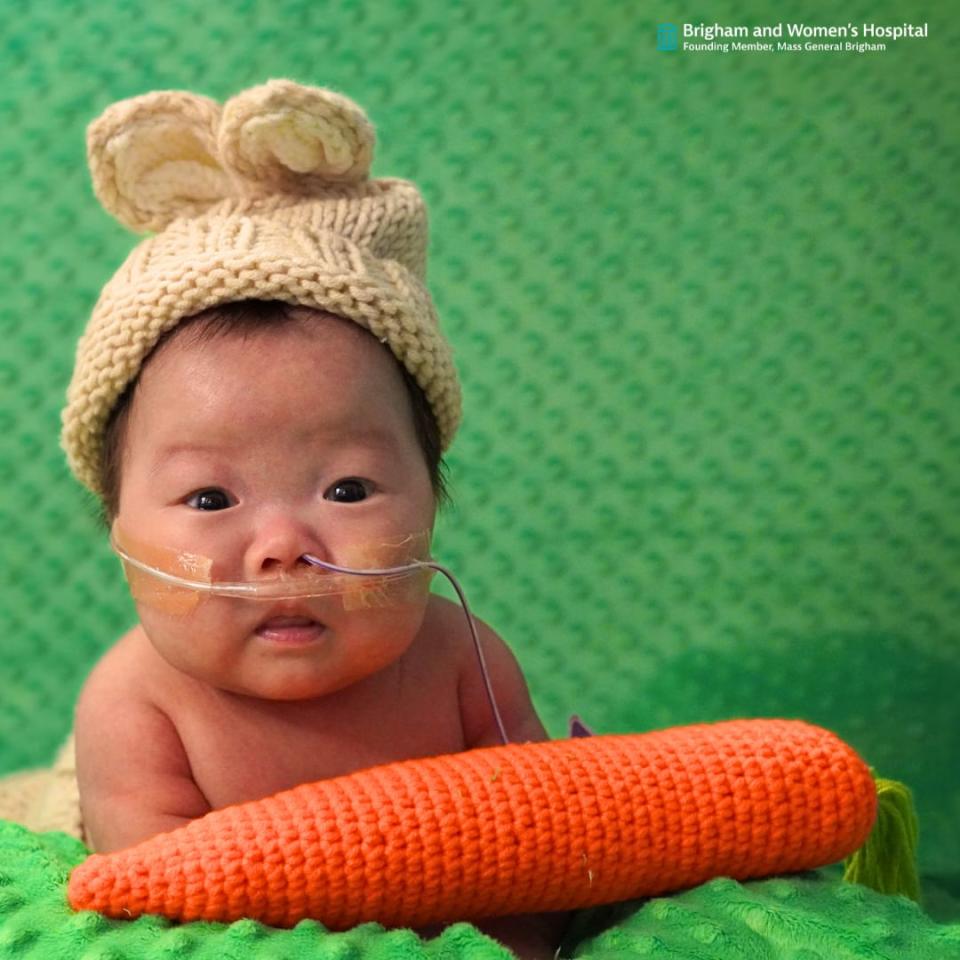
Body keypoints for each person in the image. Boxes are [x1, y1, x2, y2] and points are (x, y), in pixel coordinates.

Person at [62, 80, 569, 959]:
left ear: (431, 496)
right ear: (120, 529)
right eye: (211, 500)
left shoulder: (463, 663)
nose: (285, 547)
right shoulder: (137, 705)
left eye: (346, 490)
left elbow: (537, 856)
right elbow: (156, 915)